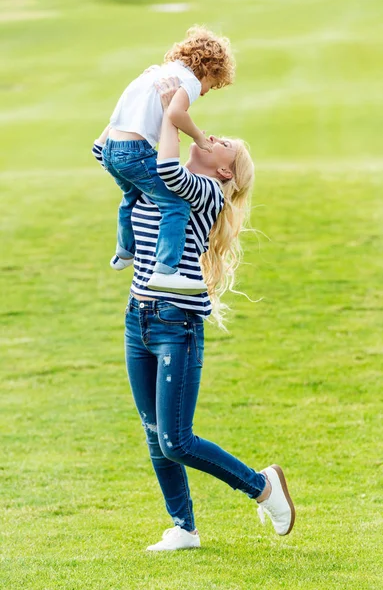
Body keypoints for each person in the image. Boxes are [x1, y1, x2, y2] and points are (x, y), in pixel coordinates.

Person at [91, 78, 295, 552]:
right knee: (154, 433)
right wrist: (135, 100)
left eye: (223, 145)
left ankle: (263, 487)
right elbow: (104, 152)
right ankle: (184, 528)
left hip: (175, 325)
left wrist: (170, 115)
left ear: (226, 173)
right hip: (138, 318)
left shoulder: (204, 193)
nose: (213, 138)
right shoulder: (153, 181)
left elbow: (167, 165)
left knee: (176, 440)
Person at [92, 26, 235, 295]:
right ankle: (166, 271)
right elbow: (177, 114)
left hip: (112, 147)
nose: (204, 92)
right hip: (134, 152)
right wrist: (199, 139)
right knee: (176, 204)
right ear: (208, 69)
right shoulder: (189, 81)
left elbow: (124, 115)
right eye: (211, 85)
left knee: (131, 197)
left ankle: (124, 252)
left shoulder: (156, 73)